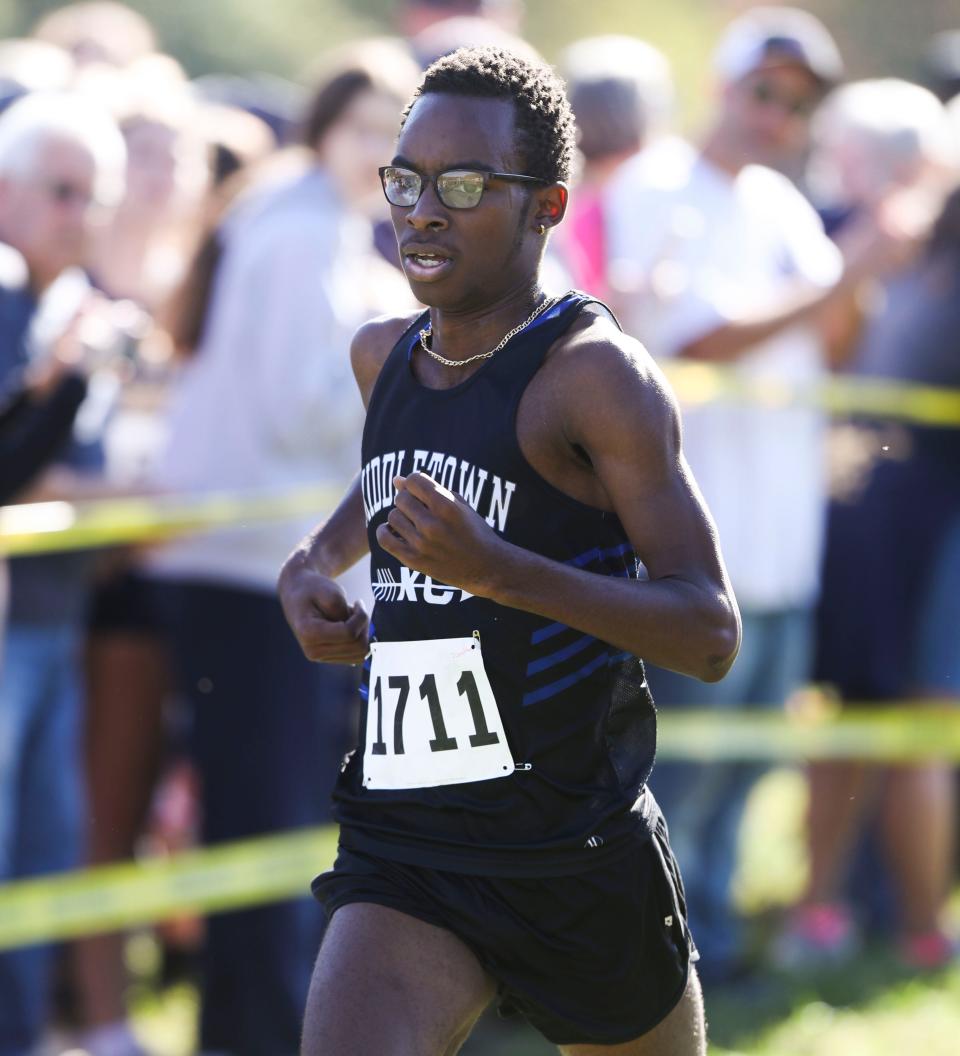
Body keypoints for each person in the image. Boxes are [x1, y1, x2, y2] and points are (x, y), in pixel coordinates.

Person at [278, 45, 740, 1056]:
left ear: (548, 206)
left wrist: (502, 575)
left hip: (573, 849)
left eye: (464, 183)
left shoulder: (594, 377)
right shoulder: (383, 355)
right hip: (410, 842)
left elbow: (707, 631)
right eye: (406, 178)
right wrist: (312, 564)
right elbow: (392, 484)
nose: (423, 209)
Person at [600, 6, 919, 986]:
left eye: (800, 100)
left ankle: (711, 945)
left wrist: (861, 272)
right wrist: (857, 263)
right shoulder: (656, 186)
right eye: (765, 91)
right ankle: (642, 956)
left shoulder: (782, 202)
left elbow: (834, 339)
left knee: (743, 765)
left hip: (781, 540)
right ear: (724, 88)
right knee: (677, 767)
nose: (780, 113)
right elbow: (698, 337)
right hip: (691, 542)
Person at [138, 41, 418, 1056]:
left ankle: (252, 1028)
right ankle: (261, 1033)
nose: (378, 155)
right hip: (255, 562)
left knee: (271, 819)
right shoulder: (305, 233)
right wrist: (422, 386)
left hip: (258, 560)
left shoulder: (307, 221)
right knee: (269, 823)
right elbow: (306, 407)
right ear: (323, 124)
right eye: (364, 128)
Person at [776, 84, 959, 971]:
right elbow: (846, 351)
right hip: (872, 510)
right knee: (853, 713)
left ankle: (920, 927)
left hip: (936, 517)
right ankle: (835, 911)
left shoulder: (932, 241)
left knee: (920, 718)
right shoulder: (896, 245)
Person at [0, 90, 126, 1056]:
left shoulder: (58, 304)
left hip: (52, 614)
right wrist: (68, 378)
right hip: (15, 624)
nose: (81, 214)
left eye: (96, 197)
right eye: (62, 191)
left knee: (43, 852)